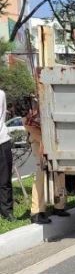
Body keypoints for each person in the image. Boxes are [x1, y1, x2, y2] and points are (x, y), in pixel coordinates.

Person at [23, 98, 69, 224]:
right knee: (41, 173)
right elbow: (28, 123)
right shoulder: (37, 100)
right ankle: (36, 211)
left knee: (60, 172)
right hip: (39, 138)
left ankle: (59, 205)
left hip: (52, 137)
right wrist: (42, 140)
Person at [0, 88, 15, 221]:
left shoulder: (1, 94)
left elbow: (2, 116)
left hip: (2, 140)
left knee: (5, 179)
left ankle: (7, 211)